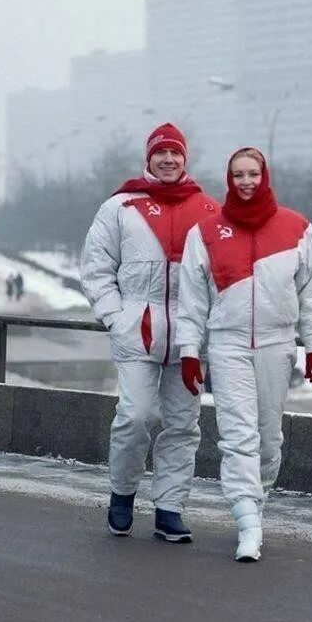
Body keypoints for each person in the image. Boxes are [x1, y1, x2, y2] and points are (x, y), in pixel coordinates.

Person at [175, 147, 312, 562]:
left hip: (278, 345)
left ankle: (254, 505)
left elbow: (311, 293)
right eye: (238, 175)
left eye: (253, 174)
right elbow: (191, 301)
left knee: (268, 439)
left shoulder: (297, 228)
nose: (246, 182)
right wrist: (190, 350)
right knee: (238, 437)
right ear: (229, 179)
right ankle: (247, 521)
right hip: (227, 344)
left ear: (265, 177)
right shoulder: (205, 233)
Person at [80, 123, 219, 541]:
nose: (169, 160)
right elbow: (95, 265)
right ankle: (122, 495)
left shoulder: (209, 210)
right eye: (161, 153)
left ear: (185, 158)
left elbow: (220, 276)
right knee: (136, 415)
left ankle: (169, 508)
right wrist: (114, 315)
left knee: (183, 424)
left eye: (175, 153)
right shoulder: (120, 207)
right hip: (136, 331)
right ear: (149, 158)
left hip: (191, 337)